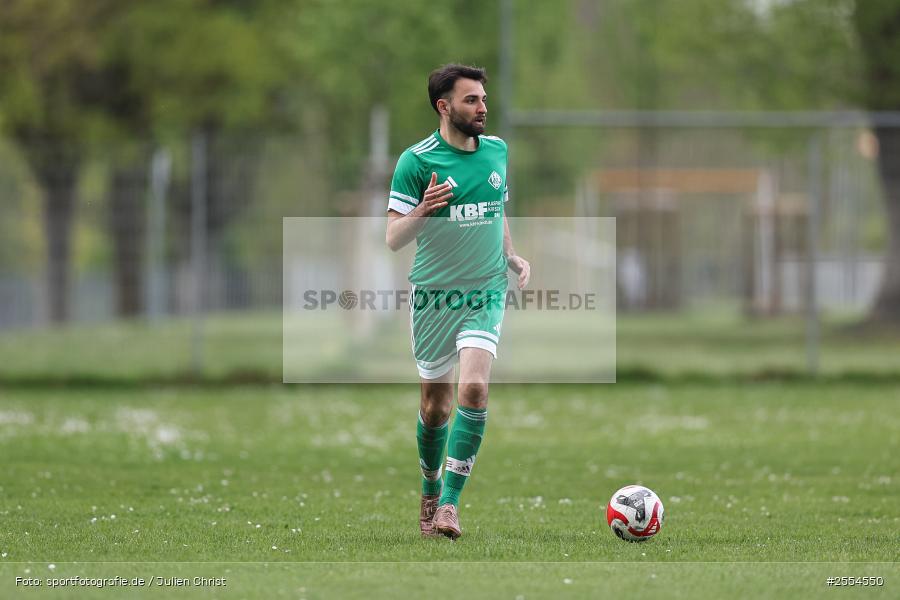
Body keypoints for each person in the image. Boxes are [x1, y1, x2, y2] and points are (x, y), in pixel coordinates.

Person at [385, 64, 530, 540]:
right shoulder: (416, 161)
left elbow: (496, 210)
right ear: (443, 107)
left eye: (484, 99)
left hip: (484, 289)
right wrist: (424, 210)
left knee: (474, 390)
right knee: (435, 407)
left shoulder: (497, 153)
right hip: (433, 295)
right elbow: (392, 238)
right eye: (471, 100)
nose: (483, 107)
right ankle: (429, 489)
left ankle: (448, 506)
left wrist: (510, 255)